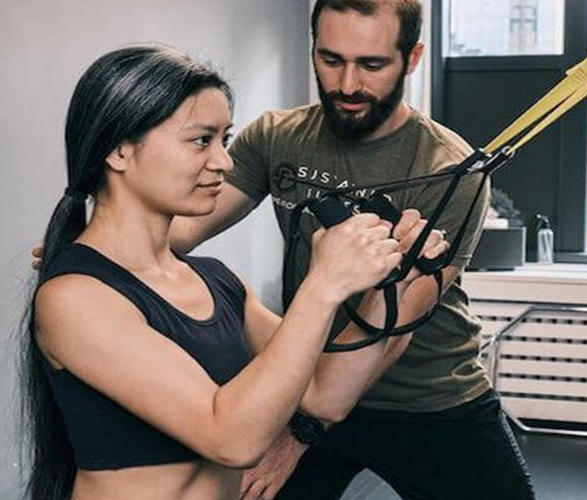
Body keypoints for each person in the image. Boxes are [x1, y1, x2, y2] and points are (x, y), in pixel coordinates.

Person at [21, 45, 446, 500]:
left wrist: (397, 279)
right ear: (120, 150)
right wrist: (323, 285)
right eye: (202, 140)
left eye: (225, 139)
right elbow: (230, 438)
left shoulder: (214, 280)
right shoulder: (75, 296)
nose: (224, 161)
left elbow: (325, 394)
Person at [169, 1, 537, 499]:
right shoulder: (276, 138)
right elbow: (179, 232)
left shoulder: (453, 171)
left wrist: (299, 434)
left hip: (427, 398)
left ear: (412, 58)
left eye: (371, 65)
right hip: (309, 383)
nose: (346, 85)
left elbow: (395, 329)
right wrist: (101, 245)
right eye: (331, 59)